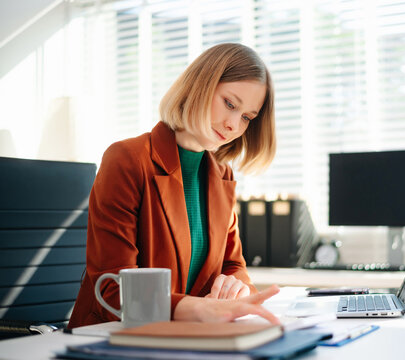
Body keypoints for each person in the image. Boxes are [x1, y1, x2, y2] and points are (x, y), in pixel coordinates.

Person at [68, 43, 280, 328]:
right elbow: (113, 289)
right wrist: (198, 308)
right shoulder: (127, 159)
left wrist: (237, 288)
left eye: (246, 118)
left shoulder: (222, 174)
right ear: (200, 86)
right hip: (113, 337)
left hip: (186, 338)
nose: (233, 125)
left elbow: (233, 266)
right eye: (230, 104)